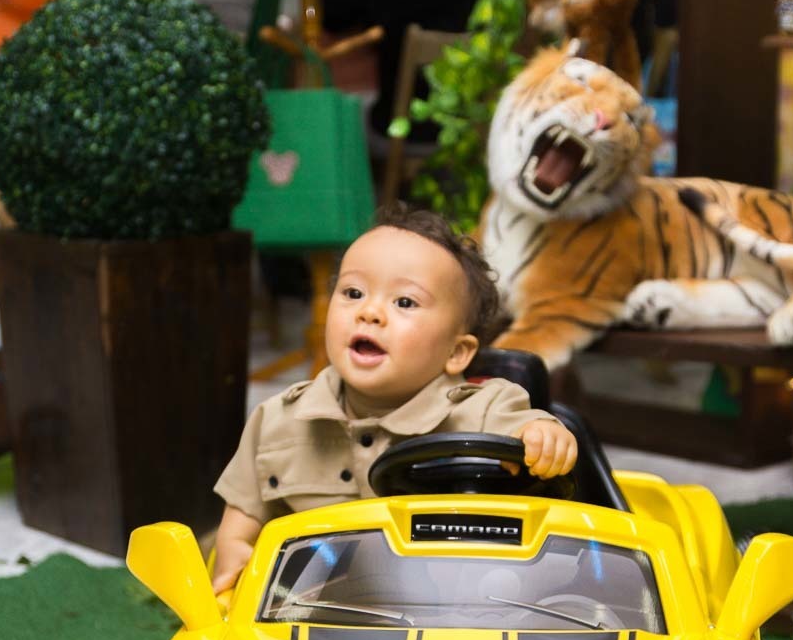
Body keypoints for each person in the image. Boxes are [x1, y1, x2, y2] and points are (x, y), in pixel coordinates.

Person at [212, 205, 578, 594]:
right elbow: (240, 522)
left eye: (404, 302)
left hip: (458, 610)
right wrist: (235, 553)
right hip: (317, 618)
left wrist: (544, 437)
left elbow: (529, 431)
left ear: (456, 353)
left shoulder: (485, 408)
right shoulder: (278, 420)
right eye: (353, 293)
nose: (369, 312)